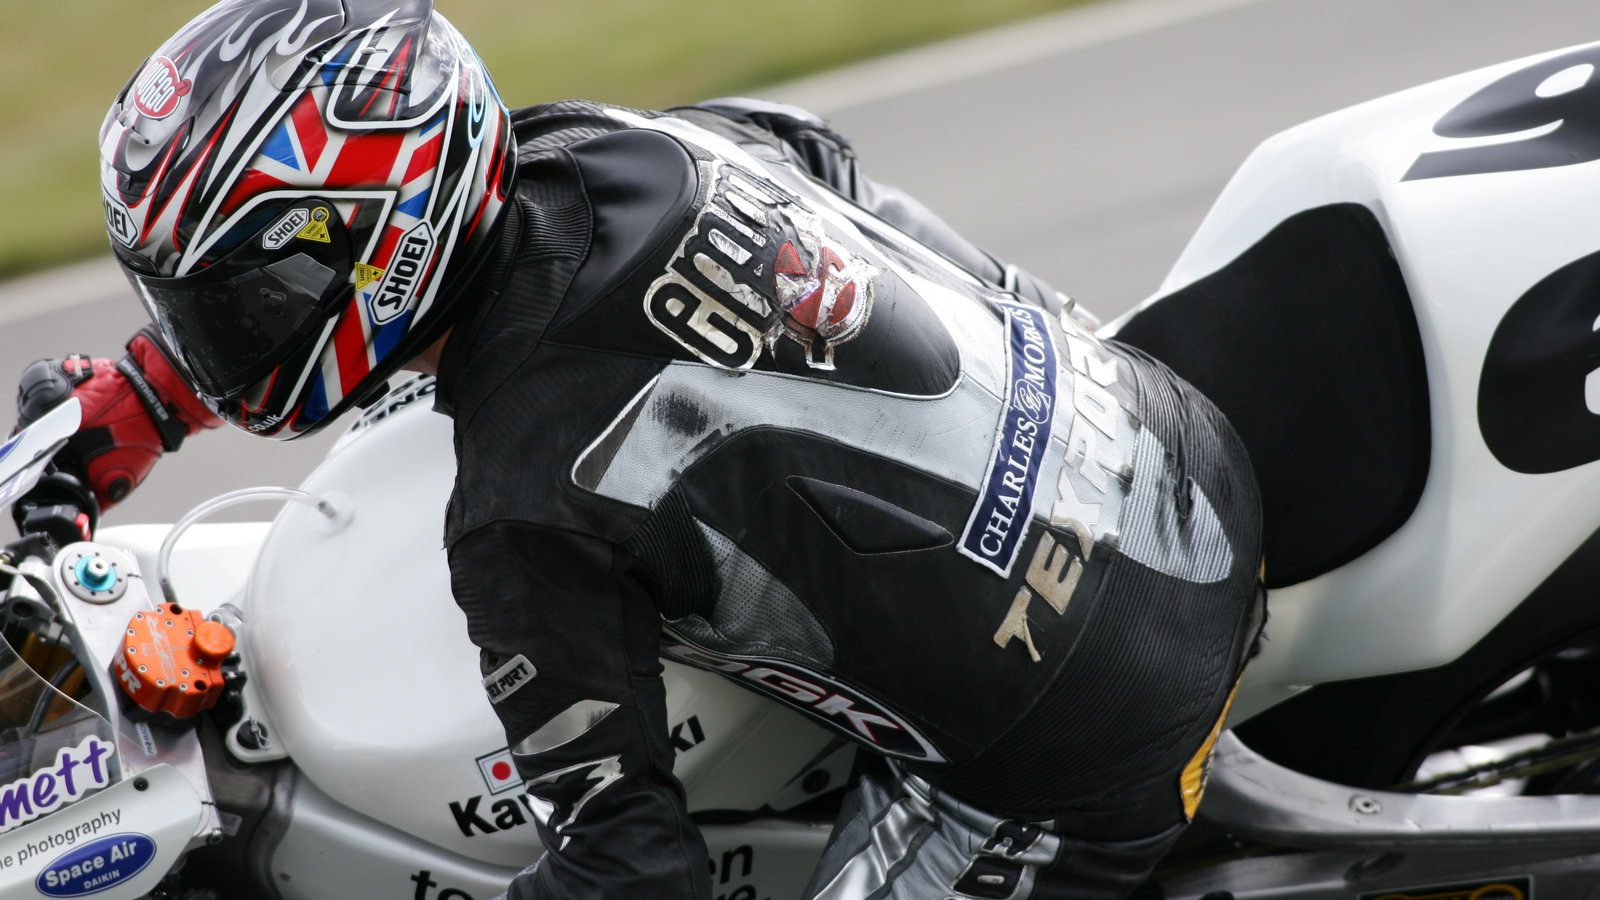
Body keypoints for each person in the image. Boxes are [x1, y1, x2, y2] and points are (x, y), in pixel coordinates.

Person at [19, 1, 1264, 896]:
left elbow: (631, 868)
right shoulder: (609, 142)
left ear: (378, 237)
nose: (210, 342)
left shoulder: (521, 501)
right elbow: (814, 158)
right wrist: (139, 398)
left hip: (1087, 724)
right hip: (1163, 441)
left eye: (234, 305)